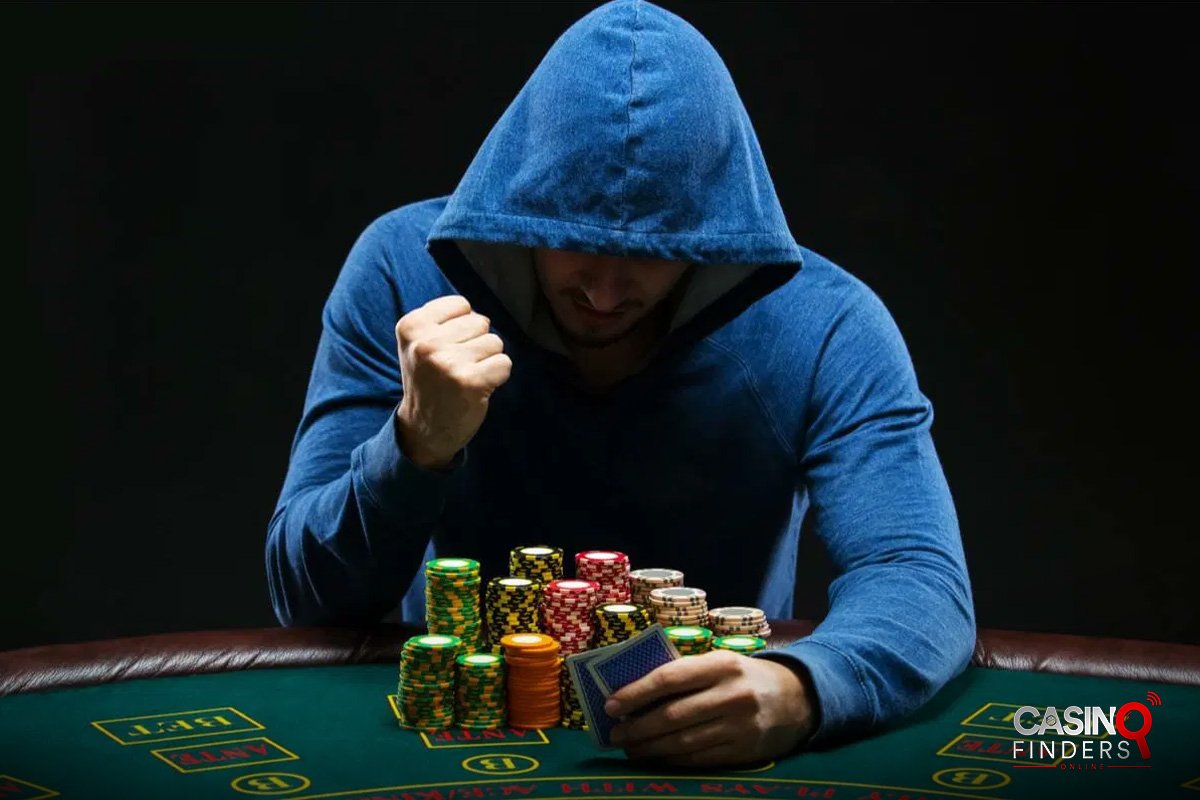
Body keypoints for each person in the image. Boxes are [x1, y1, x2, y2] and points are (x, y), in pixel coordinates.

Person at [266, 0, 974, 767]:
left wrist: (804, 689)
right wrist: (416, 447)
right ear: (518, 208)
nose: (605, 293)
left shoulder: (828, 325)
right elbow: (309, 603)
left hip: (714, 765)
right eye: (570, 245)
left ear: (716, 237)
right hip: (455, 745)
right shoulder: (403, 272)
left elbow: (918, 577)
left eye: (654, 253)